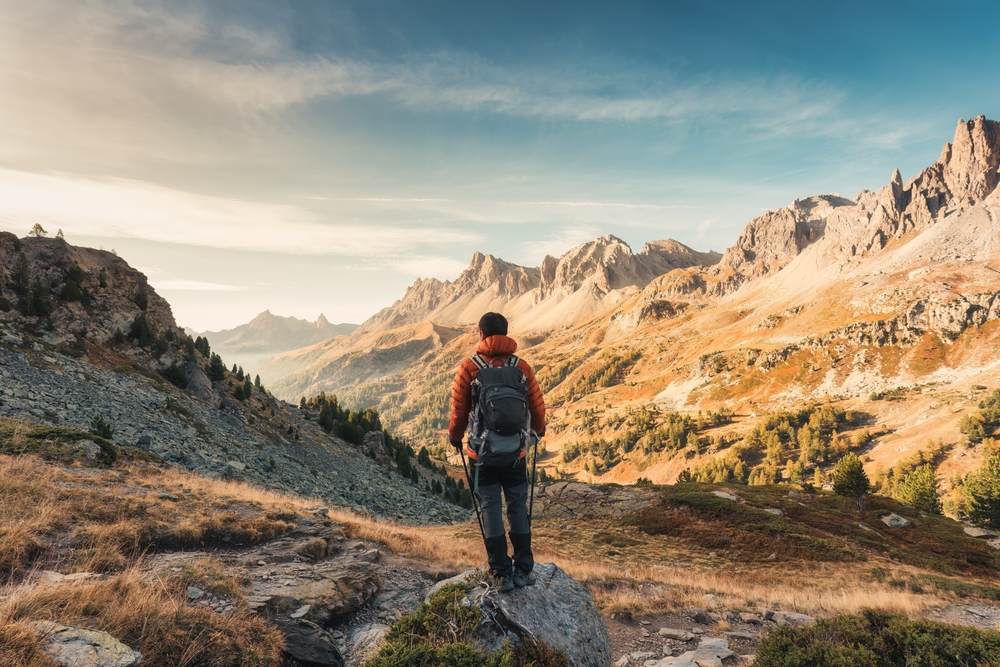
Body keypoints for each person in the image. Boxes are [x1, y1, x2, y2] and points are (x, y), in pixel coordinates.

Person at [449, 312, 545, 592]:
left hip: (482, 455)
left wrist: (456, 438)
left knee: (490, 508)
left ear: (481, 334)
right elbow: (537, 407)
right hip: (516, 453)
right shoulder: (522, 367)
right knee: (517, 506)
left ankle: (501, 573)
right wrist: (538, 431)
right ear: (505, 334)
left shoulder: (469, 367)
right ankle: (524, 569)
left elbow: (459, 410)